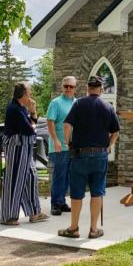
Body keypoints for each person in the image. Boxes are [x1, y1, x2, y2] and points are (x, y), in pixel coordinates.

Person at [58, 74, 120, 240]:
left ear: (87, 88)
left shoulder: (78, 104)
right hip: (100, 155)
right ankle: (93, 229)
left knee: (77, 193)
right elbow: (116, 132)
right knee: (97, 192)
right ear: (101, 89)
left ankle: (73, 228)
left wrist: (67, 142)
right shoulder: (107, 106)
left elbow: (66, 124)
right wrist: (108, 146)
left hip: (80, 154)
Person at [0, 82, 49, 226]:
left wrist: (33, 112)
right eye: (30, 92)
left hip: (25, 149)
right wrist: (33, 119)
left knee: (31, 178)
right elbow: (29, 129)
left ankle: (34, 212)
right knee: (15, 181)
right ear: (25, 94)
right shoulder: (14, 109)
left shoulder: (21, 108)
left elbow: (31, 125)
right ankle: (9, 216)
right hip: (17, 149)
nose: (31, 95)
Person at [45, 76, 77, 216]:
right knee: (59, 175)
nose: (68, 89)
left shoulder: (77, 103)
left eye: (71, 86)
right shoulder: (56, 103)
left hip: (73, 146)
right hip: (59, 146)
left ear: (75, 88)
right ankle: (55, 204)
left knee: (69, 176)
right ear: (62, 87)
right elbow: (50, 121)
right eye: (66, 86)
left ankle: (62, 201)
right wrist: (55, 140)